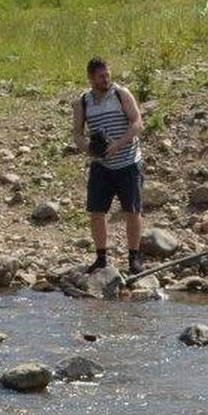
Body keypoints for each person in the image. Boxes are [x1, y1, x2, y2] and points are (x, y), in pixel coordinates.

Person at [71, 57, 144, 275]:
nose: (106, 79)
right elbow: (77, 133)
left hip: (128, 161)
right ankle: (101, 258)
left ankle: (134, 258)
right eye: (101, 76)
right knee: (96, 211)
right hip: (101, 165)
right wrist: (88, 148)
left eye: (108, 75)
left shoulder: (121, 93)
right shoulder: (83, 102)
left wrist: (118, 144)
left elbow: (137, 123)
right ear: (91, 78)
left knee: (132, 211)